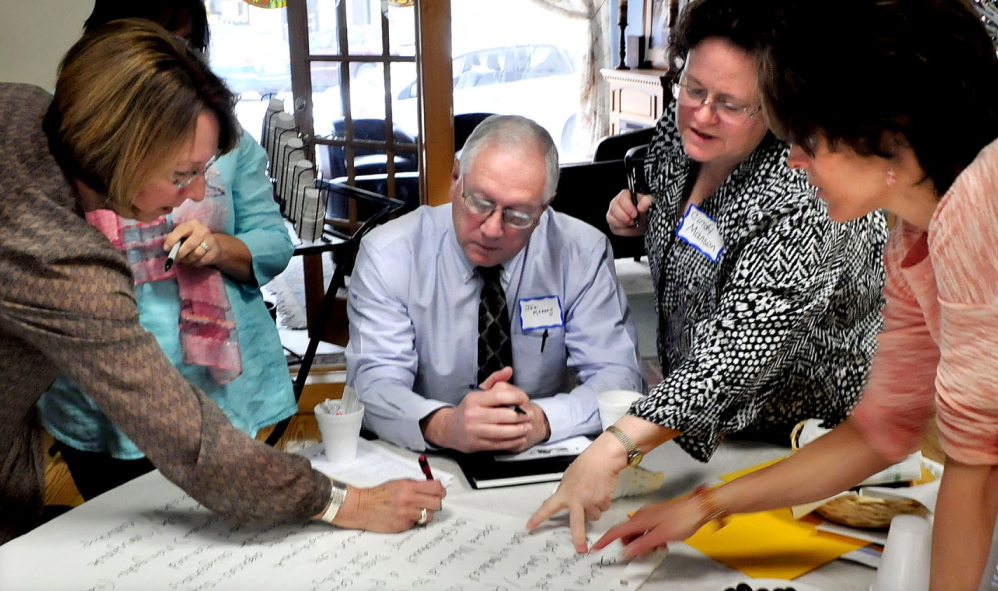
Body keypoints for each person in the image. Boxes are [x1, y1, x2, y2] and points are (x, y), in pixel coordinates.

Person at [590, 1, 998, 588]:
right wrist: (705, 507)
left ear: (887, 136)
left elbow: (976, 472)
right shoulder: (913, 230)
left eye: (809, 137)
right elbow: (880, 430)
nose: (795, 160)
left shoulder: (976, 209)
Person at [0, 20, 444, 545]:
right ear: (117, 147)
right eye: (181, 174)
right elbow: (185, 435)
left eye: (203, 172)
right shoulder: (64, 265)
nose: (192, 197)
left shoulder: (22, 105)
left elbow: (266, 242)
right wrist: (343, 500)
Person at [528, 0, 888, 552]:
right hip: (695, 426)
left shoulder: (803, 196)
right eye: (692, 89)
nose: (700, 113)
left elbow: (736, 352)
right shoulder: (682, 138)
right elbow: (672, 205)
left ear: (776, 107)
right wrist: (635, 215)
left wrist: (611, 448)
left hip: (797, 445)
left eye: (729, 103)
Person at [35, 0, 297, 501]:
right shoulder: (62, 142)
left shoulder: (220, 135)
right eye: (154, 44)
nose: (173, 62)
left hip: (215, 373)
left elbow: (272, 242)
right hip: (99, 382)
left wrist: (219, 247)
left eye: (186, 46)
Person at [346, 115, 644, 453]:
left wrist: (543, 420)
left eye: (518, 215)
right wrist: (444, 424)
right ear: (456, 179)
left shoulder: (580, 253)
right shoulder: (390, 254)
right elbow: (372, 385)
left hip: (540, 451)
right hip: (423, 453)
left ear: (544, 209)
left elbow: (621, 378)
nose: (492, 229)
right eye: (480, 202)